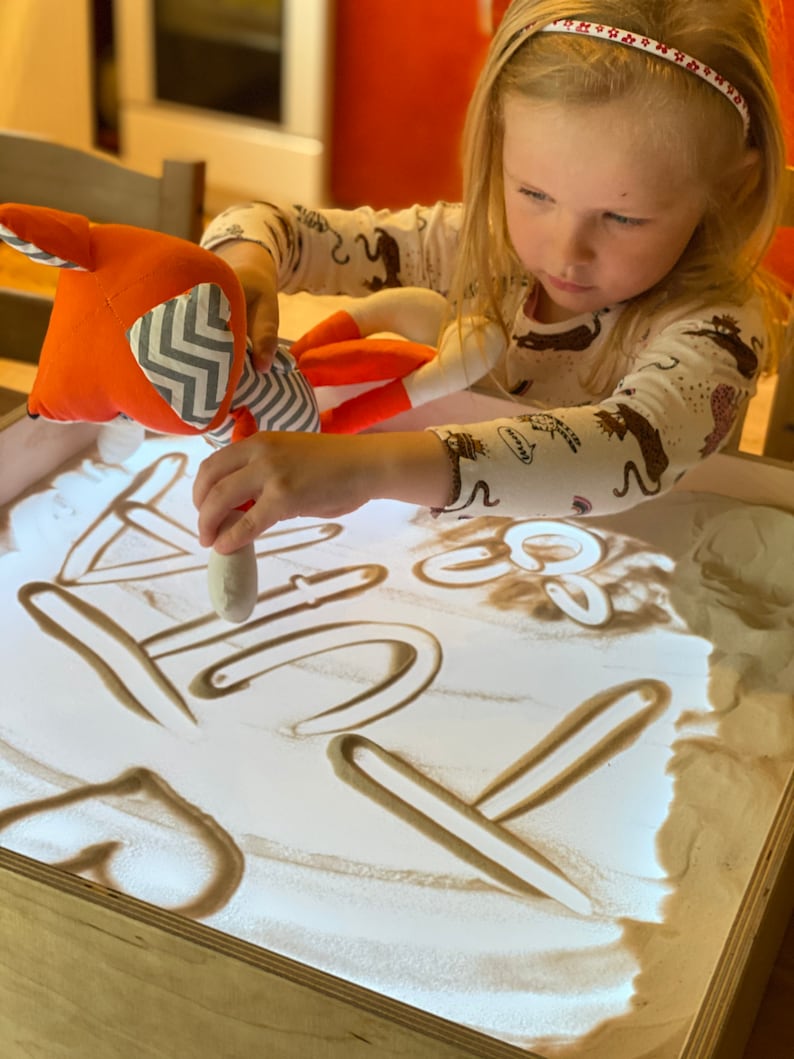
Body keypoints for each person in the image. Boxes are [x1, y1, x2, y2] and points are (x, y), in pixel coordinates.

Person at [193, 0, 787, 555]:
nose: (565, 250)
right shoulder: (473, 245)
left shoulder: (721, 328)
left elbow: (632, 445)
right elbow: (264, 223)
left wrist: (365, 466)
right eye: (534, 193)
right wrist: (249, 260)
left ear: (732, 185)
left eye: (623, 217)